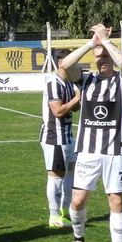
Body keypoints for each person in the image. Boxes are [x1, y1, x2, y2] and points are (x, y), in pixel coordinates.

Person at [58, 24, 122, 242]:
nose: (101, 61)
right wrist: (91, 43)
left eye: (105, 57)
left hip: (116, 150)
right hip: (88, 151)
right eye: (98, 57)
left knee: (116, 200)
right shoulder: (87, 80)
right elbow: (64, 66)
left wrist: (106, 42)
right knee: (78, 199)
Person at [39, 49, 80, 228]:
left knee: (71, 172)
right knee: (55, 176)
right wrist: (76, 98)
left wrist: (80, 99)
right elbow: (57, 111)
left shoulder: (70, 84)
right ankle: (53, 215)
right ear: (62, 64)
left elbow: (74, 108)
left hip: (68, 135)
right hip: (54, 137)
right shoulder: (53, 83)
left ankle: (65, 211)